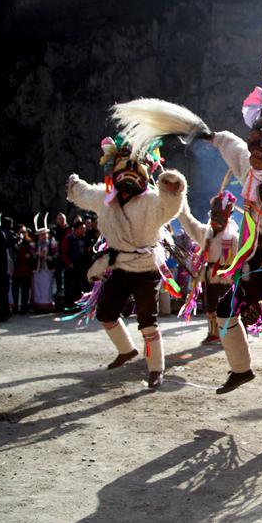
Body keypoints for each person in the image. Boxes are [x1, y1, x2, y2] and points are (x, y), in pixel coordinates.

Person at [107, 0, 262, 429]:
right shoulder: (250, 166)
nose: (256, 146)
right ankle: (241, 368)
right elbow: (231, 143)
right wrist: (204, 133)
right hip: (259, 263)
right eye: (255, 137)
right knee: (228, 305)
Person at [67, 133, 186, 388]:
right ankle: (126, 350)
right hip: (120, 266)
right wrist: (75, 186)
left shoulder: (153, 200)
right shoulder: (106, 199)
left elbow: (170, 206)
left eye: (136, 165)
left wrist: (173, 187)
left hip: (147, 269)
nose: (130, 172)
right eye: (124, 165)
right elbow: (86, 194)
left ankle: (156, 369)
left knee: (148, 322)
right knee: (106, 313)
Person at [177, 191, 239, 344]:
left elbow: (242, 259)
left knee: (228, 308)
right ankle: (213, 333)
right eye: (214, 215)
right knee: (210, 306)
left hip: (228, 278)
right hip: (210, 276)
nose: (215, 219)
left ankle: (231, 335)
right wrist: (178, 200)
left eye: (220, 215)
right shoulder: (205, 233)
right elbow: (189, 222)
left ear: (227, 216)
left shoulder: (234, 237)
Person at [32, 214, 57, 312]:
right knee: (38, 287)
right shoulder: (34, 244)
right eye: (40, 235)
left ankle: (47, 305)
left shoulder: (52, 243)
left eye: (44, 234)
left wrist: (47, 257)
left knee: (47, 287)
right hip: (38, 269)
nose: (42, 236)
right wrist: (37, 255)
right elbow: (31, 255)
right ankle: (38, 306)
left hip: (48, 268)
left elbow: (56, 255)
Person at [61, 221, 88, 311]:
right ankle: (68, 306)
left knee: (79, 287)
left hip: (81, 266)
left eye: (84, 228)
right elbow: (64, 252)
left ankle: (78, 305)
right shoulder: (68, 239)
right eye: (82, 228)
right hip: (71, 266)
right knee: (69, 287)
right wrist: (69, 263)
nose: (84, 230)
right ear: (76, 229)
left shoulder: (85, 239)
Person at [12, 224, 35, 314]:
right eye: (21, 232)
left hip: (26, 270)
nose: (23, 234)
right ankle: (15, 307)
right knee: (15, 290)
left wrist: (30, 256)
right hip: (16, 270)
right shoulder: (14, 241)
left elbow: (33, 254)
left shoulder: (29, 242)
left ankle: (24, 307)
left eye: (24, 232)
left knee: (25, 290)